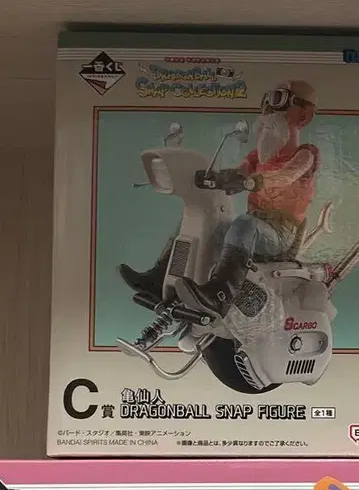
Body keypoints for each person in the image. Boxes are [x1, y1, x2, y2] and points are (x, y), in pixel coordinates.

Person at [119, 79, 320, 315]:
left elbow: (287, 175)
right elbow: (239, 173)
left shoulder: (306, 154)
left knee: (244, 223)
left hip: (280, 236)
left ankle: (219, 295)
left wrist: (258, 180)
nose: (268, 112)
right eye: (267, 102)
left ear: (304, 116)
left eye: (278, 101)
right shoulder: (256, 157)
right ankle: (159, 279)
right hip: (255, 230)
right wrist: (217, 178)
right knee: (198, 216)